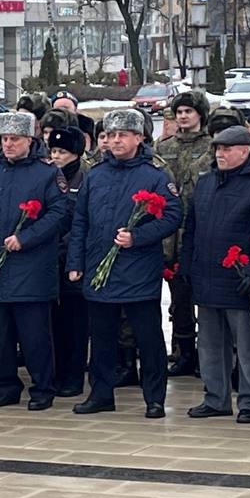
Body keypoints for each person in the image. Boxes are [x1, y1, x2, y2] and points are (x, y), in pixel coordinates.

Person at [68, 108, 182, 418]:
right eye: (110, 135)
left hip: (138, 269)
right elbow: (80, 221)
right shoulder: (96, 174)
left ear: (139, 138)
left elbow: (173, 215)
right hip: (98, 268)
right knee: (102, 337)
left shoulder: (155, 174)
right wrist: (75, 262)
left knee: (148, 337)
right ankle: (101, 393)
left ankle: (154, 397)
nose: (115, 141)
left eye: (122, 135)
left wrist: (139, 236)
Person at [181, 124, 250, 424]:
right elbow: (192, 227)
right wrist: (187, 264)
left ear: (245, 150)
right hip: (206, 274)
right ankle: (216, 397)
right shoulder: (205, 183)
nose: (220, 154)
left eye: (227, 149)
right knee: (210, 343)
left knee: (247, 346)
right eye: (217, 149)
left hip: (239, 277)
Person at [0, 111, 68, 411]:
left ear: (29, 140)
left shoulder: (47, 172)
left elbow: (59, 214)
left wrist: (27, 237)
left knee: (34, 334)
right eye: (5, 139)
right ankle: (6, 385)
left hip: (32, 267)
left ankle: (42, 387)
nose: (8, 145)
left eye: (15, 139)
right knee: (1, 335)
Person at [156, 90, 211, 378]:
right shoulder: (163, 148)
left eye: (189, 111)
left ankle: (208, 353)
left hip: (201, 230)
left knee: (205, 296)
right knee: (178, 299)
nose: (183, 116)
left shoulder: (213, 148)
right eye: (179, 112)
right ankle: (184, 351)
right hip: (169, 235)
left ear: (200, 114)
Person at [48, 125, 89, 397]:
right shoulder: (48, 177)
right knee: (55, 322)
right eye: (52, 150)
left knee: (76, 323)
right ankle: (57, 372)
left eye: (62, 151)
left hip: (75, 258)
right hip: (50, 259)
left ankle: (73, 376)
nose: (56, 156)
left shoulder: (87, 177)